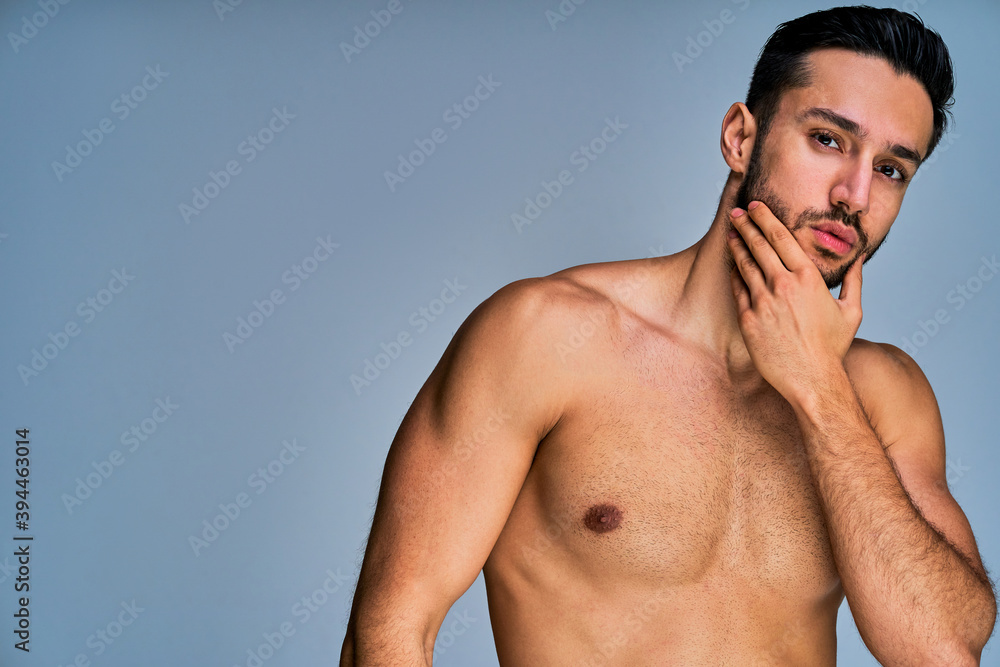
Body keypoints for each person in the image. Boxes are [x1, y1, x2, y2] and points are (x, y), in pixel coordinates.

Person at [341, 6, 997, 664]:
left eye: (891, 170)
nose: (855, 194)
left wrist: (820, 389)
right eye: (828, 139)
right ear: (740, 138)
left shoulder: (883, 394)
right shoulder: (543, 337)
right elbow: (390, 630)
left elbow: (940, 650)